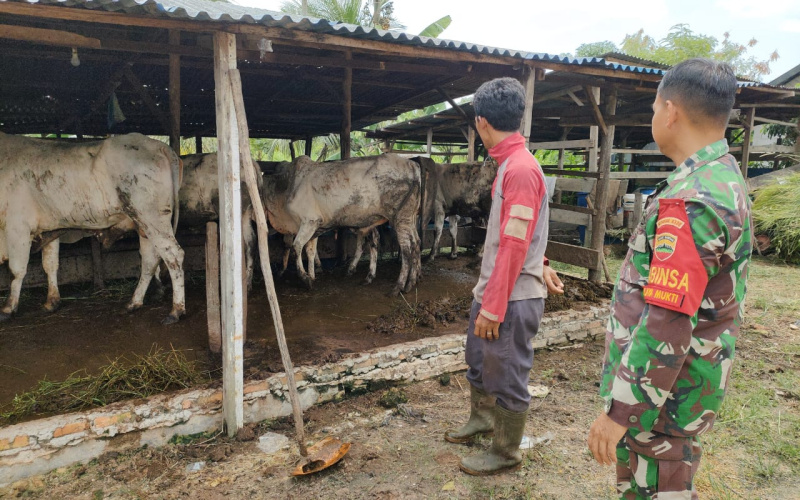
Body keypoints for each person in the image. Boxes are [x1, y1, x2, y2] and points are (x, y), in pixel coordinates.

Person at [588, 58, 752, 498]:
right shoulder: (721, 178)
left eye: (656, 107)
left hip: (662, 402)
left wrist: (623, 410)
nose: (655, 116)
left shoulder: (694, 200)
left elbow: (668, 319)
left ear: (671, 110)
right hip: (672, 393)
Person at [444, 77, 561, 476]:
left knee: (507, 371)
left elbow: (513, 247)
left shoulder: (522, 171)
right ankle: (481, 419)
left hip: (509, 299)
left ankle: (506, 451)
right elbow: (522, 234)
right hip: (495, 290)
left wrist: (492, 308)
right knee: (477, 360)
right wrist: (542, 263)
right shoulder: (510, 166)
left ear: (481, 123)